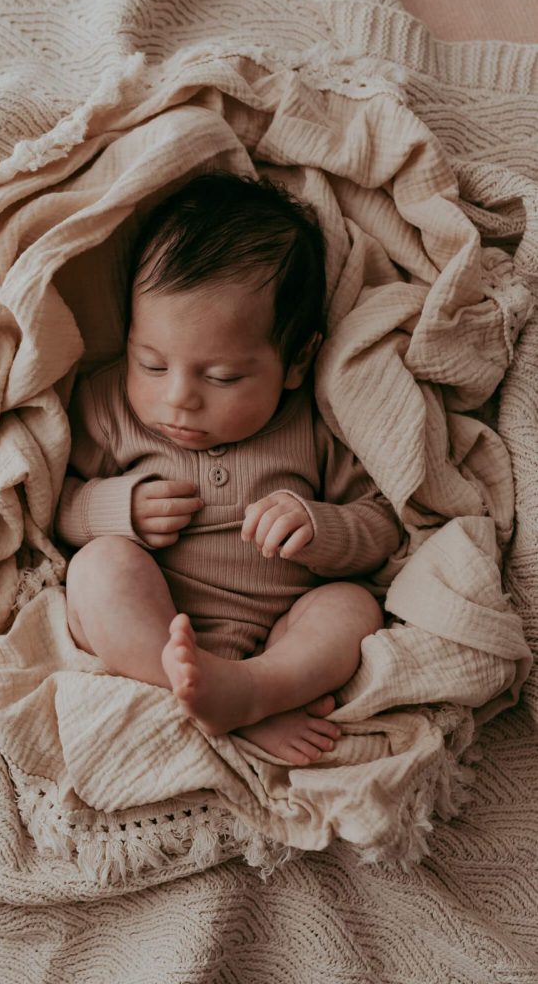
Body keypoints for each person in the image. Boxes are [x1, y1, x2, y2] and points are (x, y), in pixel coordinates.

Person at [56, 172, 401, 766]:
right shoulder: (109, 404)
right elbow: (56, 505)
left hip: (281, 633)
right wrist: (116, 509)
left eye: (222, 377)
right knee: (98, 569)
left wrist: (320, 527)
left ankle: (256, 689)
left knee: (352, 608)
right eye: (153, 364)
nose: (179, 399)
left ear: (296, 361)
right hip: (153, 620)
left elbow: (381, 525)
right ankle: (212, 697)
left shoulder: (313, 423)